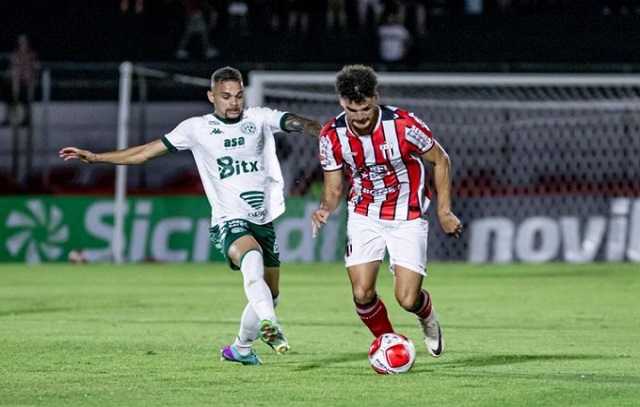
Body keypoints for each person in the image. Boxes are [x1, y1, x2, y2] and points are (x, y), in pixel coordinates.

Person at [60, 66, 323, 365]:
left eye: (238, 95)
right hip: (229, 219)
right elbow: (146, 151)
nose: (233, 102)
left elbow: (295, 120)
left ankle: (241, 348)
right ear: (212, 96)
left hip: (264, 219)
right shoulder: (196, 128)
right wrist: (97, 158)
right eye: (226, 96)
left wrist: (322, 131)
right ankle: (270, 324)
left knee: (272, 292)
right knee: (252, 258)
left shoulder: (258, 118)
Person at [311, 64, 462, 359]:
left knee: (407, 298)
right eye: (352, 110)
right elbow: (333, 187)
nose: (360, 117)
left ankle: (427, 316)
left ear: (375, 98)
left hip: (408, 215)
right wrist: (325, 208)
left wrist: (445, 212)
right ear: (342, 102)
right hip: (365, 214)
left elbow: (441, 160)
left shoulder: (404, 126)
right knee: (362, 293)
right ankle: (390, 343)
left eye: (365, 108)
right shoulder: (331, 135)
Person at [4, 34, 40, 127]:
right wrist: (10, 76)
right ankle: (7, 119)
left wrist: (34, 79)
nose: (22, 43)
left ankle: (27, 120)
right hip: (16, 82)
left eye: (24, 41)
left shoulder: (32, 54)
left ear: (27, 42)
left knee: (26, 101)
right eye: (20, 41)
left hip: (27, 82)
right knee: (9, 99)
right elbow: (11, 66)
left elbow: (36, 67)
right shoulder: (16, 53)